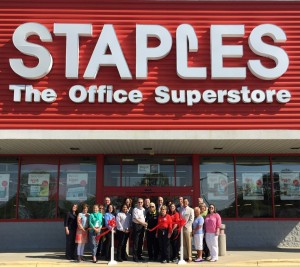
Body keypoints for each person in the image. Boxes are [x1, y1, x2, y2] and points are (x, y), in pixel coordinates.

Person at [132, 198, 147, 262]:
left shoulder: (144, 210)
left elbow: (144, 218)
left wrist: (144, 224)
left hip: (142, 226)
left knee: (140, 242)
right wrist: (143, 223)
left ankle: (139, 255)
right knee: (136, 242)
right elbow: (135, 219)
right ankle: (135, 257)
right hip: (137, 226)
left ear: (143, 203)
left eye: (141, 202)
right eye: (139, 202)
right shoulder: (135, 209)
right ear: (137, 203)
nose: (140, 203)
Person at [179, 198, 194, 262]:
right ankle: (185, 256)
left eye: (186, 202)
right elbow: (179, 218)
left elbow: (191, 219)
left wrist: (186, 225)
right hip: (181, 228)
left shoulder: (191, 210)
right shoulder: (181, 209)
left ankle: (190, 257)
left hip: (187, 228)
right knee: (183, 243)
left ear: (188, 202)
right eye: (184, 202)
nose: (185, 203)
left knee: (188, 243)